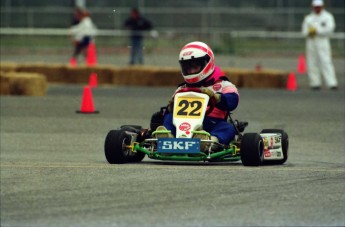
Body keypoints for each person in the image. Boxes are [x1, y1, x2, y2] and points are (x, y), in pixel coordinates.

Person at [155, 41, 240, 151]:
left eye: (195, 66)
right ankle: (167, 138)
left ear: (207, 63)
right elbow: (167, 112)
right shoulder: (182, 88)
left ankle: (210, 141)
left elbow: (233, 100)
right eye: (188, 67)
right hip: (182, 125)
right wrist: (170, 108)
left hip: (212, 124)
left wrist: (217, 97)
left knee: (228, 127)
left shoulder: (222, 84)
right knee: (169, 118)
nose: (191, 70)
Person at [302, 0, 338, 90]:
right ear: (312, 7)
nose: (317, 8)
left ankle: (331, 83)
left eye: (319, 7)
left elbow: (330, 29)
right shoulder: (309, 18)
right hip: (311, 41)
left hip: (322, 41)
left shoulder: (327, 17)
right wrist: (309, 32)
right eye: (315, 7)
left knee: (326, 61)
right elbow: (304, 31)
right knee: (312, 62)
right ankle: (315, 83)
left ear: (322, 6)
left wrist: (318, 31)